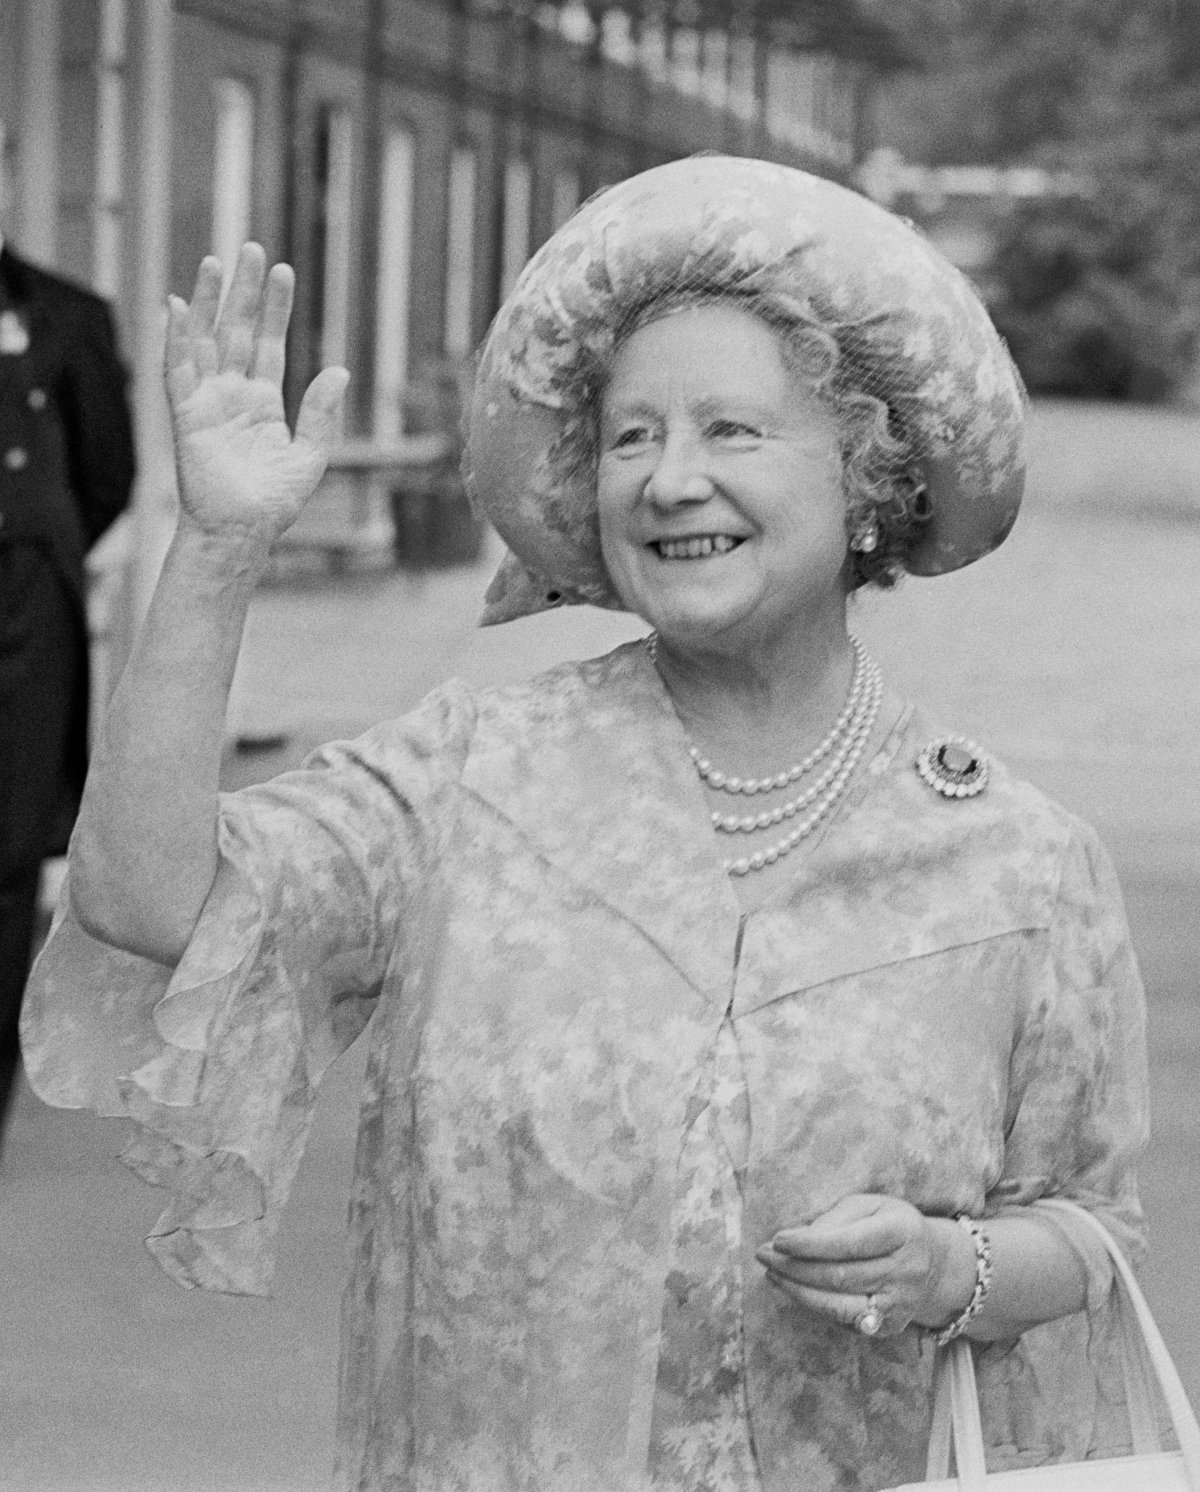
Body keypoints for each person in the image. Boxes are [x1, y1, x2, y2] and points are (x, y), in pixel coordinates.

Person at [21, 158, 1147, 1492]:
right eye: (631, 437)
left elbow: (1087, 1233)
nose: (672, 481)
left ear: (866, 477)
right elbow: (148, 900)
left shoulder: (1016, 862)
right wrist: (216, 549)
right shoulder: (468, 777)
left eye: (732, 432)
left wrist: (946, 1267)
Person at [0, 132, 135, 1139]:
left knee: (8, 853)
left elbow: (107, 474)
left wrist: (38, 551)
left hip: (25, 616)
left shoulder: (68, 317)